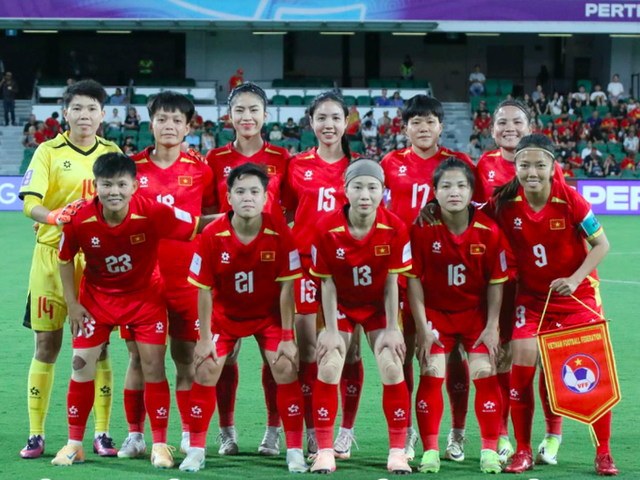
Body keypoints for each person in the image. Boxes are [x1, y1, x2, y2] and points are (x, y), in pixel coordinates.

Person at [51, 153, 215, 468]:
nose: (114, 191)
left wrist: (244, 216)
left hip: (145, 301)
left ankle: (160, 446)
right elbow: (64, 258)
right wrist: (72, 304)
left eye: (121, 184)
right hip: (96, 300)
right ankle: (74, 444)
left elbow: (196, 225)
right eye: (107, 184)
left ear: (134, 186)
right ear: (95, 185)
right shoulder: (79, 218)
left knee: (153, 367)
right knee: (80, 364)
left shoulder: (152, 212)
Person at [491, 134, 618, 476]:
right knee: (522, 367)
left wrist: (574, 279)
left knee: (591, 372)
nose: (531, 172)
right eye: (524, 165)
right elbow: (471, 219)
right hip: (532, 300)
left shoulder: (570, 199)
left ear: (552, 167)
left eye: (539, 165)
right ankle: (522, 450)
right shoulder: (504, 202)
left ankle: (604, 452)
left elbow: (602, 244)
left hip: (577, 298)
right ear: (515, 167)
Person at [180, 162, 307, 473]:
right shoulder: (211, 234)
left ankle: (294, 451)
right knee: (205, 367)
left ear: (265, 198)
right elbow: (204, 290)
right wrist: (205, 338)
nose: (247, 197)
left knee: (285, 366)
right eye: (240, 191)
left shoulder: (280, 232)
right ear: (229, 197)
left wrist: (287, 337)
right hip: (225, 316)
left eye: (254, 191)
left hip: (268, 316)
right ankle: (196, 450)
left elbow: (287, 288)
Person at [18, 80, 120, 460]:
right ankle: (36, 434)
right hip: (50, 258)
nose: (84, 115)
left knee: (101, 348)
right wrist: (54, 217)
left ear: (102, 114)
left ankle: (102, 433)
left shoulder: (112, 152)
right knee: (47, 345)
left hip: (95, 261)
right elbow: (29, 202)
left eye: (92, 108)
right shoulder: (47, 151)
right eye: (77, 108)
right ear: (65, 113)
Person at [116, 92, 216, 459]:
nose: (169, 125)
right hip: (140, 281)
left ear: (189, 127)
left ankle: (188, 432)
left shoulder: (202, 169)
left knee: (186, 358)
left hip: (188, 281)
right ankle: (135, 435)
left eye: (177, 120)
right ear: (151, 124)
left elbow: (212, 220)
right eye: (162, 118)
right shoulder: (130, 169)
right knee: (140, 360)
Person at [380, 95, 478, 462]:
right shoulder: (390, 163)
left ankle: (457, 431)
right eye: (416, 122)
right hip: (401, 274)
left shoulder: (458, 163)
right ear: (405, 128)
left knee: (453, 356)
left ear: (441, 126)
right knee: (403, 354)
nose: (423, 128)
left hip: (445, 275)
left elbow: (477, 212)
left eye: (430, 121)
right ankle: (406, 432)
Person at [309, 159, 413, 474]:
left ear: (383, 191)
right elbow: (326, 283)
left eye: (372, 187)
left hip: (378, 306)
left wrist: (393, 328)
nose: (365, 194)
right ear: (345, 190)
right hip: (339, 305)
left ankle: (397, 452)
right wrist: (329, 329)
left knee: (392, 365)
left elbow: (393, 282)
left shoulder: (395, 227)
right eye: (357, 187)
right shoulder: (325, 228)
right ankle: (324, 451)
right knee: (329, 364)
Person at [205, 82, 290, 455]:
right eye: (239, 110)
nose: (247, 117)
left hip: (271, 273)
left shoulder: (283, 158)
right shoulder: (214, 160)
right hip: (227, 271)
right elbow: (208, 214)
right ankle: (227, 431)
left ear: (266, 115)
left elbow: (289, 211)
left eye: (254, 109)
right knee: (225, 357)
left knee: (277, 358)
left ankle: (273, 431)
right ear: (229, 116)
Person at [408, 158, 507, 474]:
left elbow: (496, 282)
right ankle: (430, 451)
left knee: (485, 372)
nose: (454, 192)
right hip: (436, 315)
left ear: (471, 191)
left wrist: (492, 326)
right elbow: (413, 279)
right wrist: (422, 328)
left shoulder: (489, 230)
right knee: (431, 371)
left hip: (475, 316)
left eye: (462, 186)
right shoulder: (422, 228)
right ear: (434, 191)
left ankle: (489, 450)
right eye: (446, 186)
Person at [282, 92, 364, 458]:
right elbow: (288, 213)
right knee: (309, 352)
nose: (328, 125)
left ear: (347, 122)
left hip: (348, 269)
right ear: (311, 122)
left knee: (350, 351)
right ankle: (314, 431)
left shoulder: (359, 167)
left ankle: (346, 431)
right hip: (304, 267)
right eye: (321, 118)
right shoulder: (296, 165)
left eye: (335, 118)